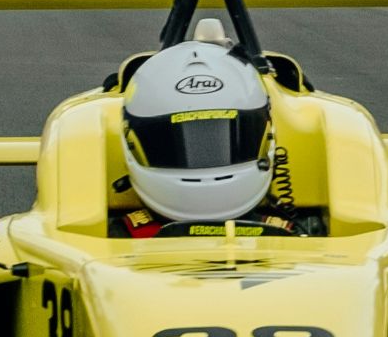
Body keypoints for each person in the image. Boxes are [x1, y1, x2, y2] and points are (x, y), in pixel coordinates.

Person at [109, 24, 323, 238]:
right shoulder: (127, 231)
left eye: (217, 139)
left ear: (265, 134)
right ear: (132, 143)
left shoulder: (282, 229)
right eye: (174, 145)